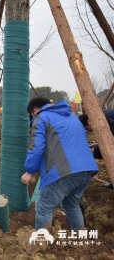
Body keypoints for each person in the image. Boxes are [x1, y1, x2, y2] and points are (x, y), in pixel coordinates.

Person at [22, 97, 98, 231]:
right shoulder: (72, 117)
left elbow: (37, 147)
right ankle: (80, 238)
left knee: (43, 206)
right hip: (87, 169)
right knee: (71, 203)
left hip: (65, 171)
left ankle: (41, 244)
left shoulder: (42, 117)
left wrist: (29, 171)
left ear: (35, 111)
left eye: (31, 115)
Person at [79, 110, 114, 189]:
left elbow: (108, 140)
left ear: (88, 121)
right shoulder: (99, 115)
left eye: (87, 128)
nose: (90, 131)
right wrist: (98, 145)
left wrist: (94, 150)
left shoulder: (100, 121)